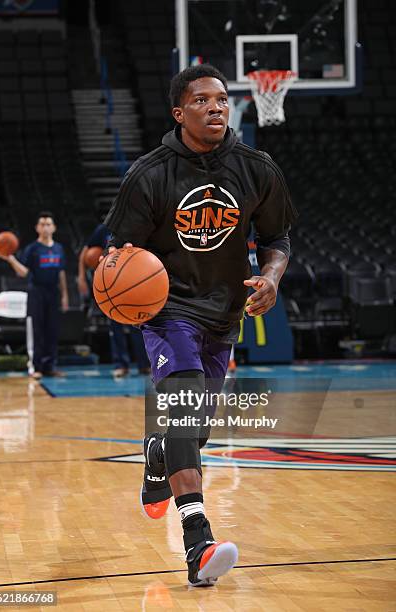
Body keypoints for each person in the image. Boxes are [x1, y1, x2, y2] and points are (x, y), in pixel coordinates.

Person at [103, 64, 297, 586]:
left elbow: (277, 239)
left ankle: (157, 452)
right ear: (179, 112)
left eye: (222, 99)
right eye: (203, 100)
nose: (216, 107)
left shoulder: (256, 168)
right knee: (186, 412)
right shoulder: (150, 174)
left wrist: (272, 278)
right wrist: (125, 288)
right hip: (169, 313)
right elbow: (118, 254)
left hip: (224, 314)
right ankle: (199, 542)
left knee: (195, 430)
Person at [0, 211, 68, 379]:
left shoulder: (59, 248)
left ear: (54, 227)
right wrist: (10, 259)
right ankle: (36, 367)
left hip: (53, 292)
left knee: (52, 330)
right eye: (42, 224)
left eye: (48, 224)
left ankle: (50, 366)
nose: (45, 227)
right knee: (37, 330)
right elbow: (23, 272)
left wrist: (65, 295)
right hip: (37, 292)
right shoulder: (32, 249)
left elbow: (62, 274)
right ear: (37, 228)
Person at [77, 223, 150, 376]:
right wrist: (82, 277)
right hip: (111, 284)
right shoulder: (104, 228)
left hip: (134, 282)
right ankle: (121, 365)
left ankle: (144, 364)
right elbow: (86, 250)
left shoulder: (138, 227)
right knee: (116, 327)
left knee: (138, 325)